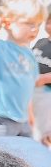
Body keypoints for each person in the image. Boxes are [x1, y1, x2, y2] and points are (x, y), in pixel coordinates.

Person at [0, 0, 45, 139]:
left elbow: (29, 86)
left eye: (38, 25)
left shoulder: (30, 54)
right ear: (8, 23)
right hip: (0, 121)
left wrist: (30, 114)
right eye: (30, 24)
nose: (35, 30)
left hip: (23, 120)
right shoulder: (0, 47)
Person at [32, 9, 51, 146]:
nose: (49, 25)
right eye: (49, 22)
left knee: (44, 130)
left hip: (46, 94)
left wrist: (43, 78)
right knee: (29, 124)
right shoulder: (41, 41)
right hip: (31, 89)